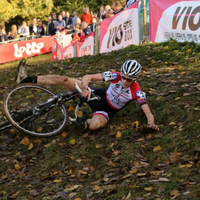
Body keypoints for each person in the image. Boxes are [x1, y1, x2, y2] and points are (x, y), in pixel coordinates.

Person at [16, 59, 159, 132]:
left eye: (129, 79)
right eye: (123, 77)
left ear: (135, 79)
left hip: (106, 109)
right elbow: (88, 76)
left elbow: (148, 112)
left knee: (94, 127)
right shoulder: (115, 75)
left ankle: (83, 121)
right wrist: (85, 88)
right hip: (97, 93)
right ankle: (26, 79)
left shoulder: (136, 90)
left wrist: (151, 125)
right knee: (64, 80)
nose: (124, 81)